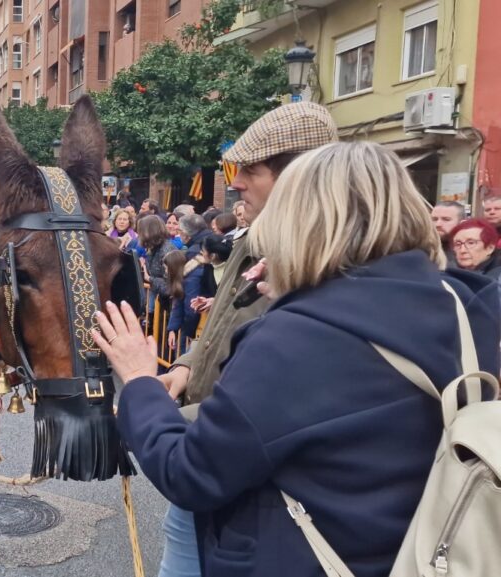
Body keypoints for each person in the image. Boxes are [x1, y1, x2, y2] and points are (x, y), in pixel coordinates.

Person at [95, 141, 500, 577]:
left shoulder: (298, 338)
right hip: (426, 550)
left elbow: (191, 472)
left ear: (302, 220)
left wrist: (138, 380)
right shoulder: (463, 303)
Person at [152, 101, 338, 577]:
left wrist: (144, 410)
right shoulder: (255, 240)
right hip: (210, 439)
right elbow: (221, 328)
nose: (234, 182)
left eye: (249, 171)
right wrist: (187, 365)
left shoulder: (326, 260)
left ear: (297, 176)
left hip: (248, 470)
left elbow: (284, 393)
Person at [139, 214, 177, 317]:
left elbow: (169, 286)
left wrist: (149, 278)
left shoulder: (166, 250)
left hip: (168, 308)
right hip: (160, 305)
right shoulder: (153, 248)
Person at [431, 201, 465, 267]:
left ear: (461, 223)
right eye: (434, 219)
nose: (438, 224)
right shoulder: (422, 248)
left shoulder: (470, 251)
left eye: (446, 219)